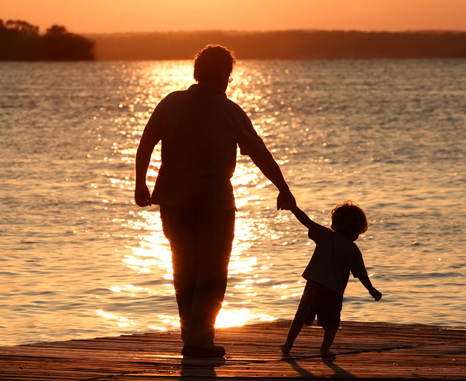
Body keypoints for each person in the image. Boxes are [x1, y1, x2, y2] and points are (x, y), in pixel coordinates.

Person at [134, 45, 295, 358]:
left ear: (197, 73)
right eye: (227, 74)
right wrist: (283, 188)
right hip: (214, 204)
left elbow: (145, 145)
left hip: (174, 201)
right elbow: (260, 153)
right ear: (226, 76)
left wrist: (141, 185)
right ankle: (199, 340)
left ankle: (192, 338)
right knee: (211, 273)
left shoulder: (171, 102)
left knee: (184, 269)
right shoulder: (229, 110)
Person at [281, 201, 383, 358]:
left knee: (301, 316)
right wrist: (372, 290)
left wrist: (293, 208)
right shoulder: (353, 250)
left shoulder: (326, 236)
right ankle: (324, 349)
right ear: (355, 230)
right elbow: (361, 274)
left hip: (315, 284)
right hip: (334, 290)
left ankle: (288, 344)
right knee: (332, 323)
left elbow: (306, 221)